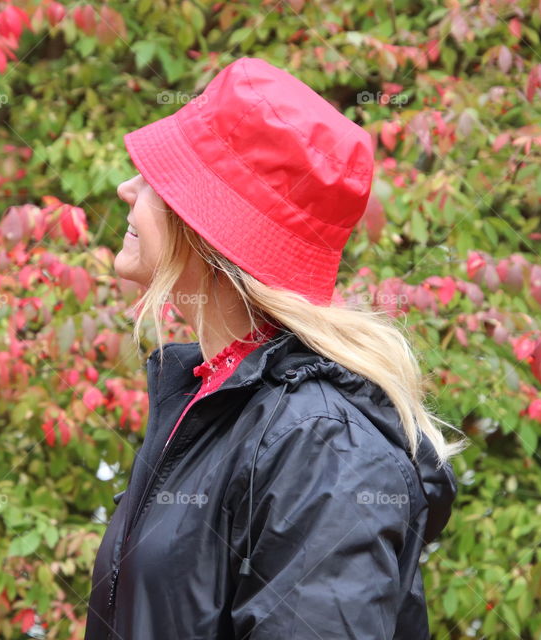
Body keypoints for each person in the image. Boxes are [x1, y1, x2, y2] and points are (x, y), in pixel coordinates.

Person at [84, 56, 467, 640]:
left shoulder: (319, 443)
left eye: (156, 178)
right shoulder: (213, 400)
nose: (127, 188)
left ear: (208, 228)